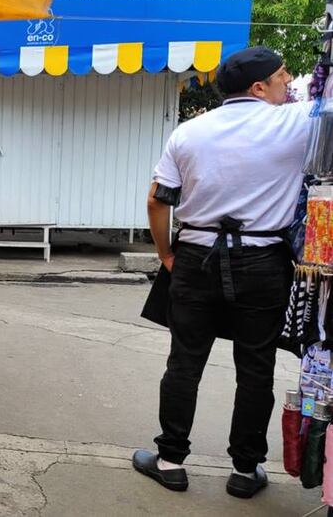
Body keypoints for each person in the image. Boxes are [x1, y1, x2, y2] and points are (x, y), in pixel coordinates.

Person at [132, 46, 307, 499]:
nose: (288, 84)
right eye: (282, 77)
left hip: (195, 256)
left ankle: (170, 460)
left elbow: (158, 200)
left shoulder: (188, 133)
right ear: (258, 87)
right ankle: (245, 471)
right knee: (256, 368)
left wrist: (167, 254)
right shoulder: (296, 121)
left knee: (185, 362)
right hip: (264, 261)